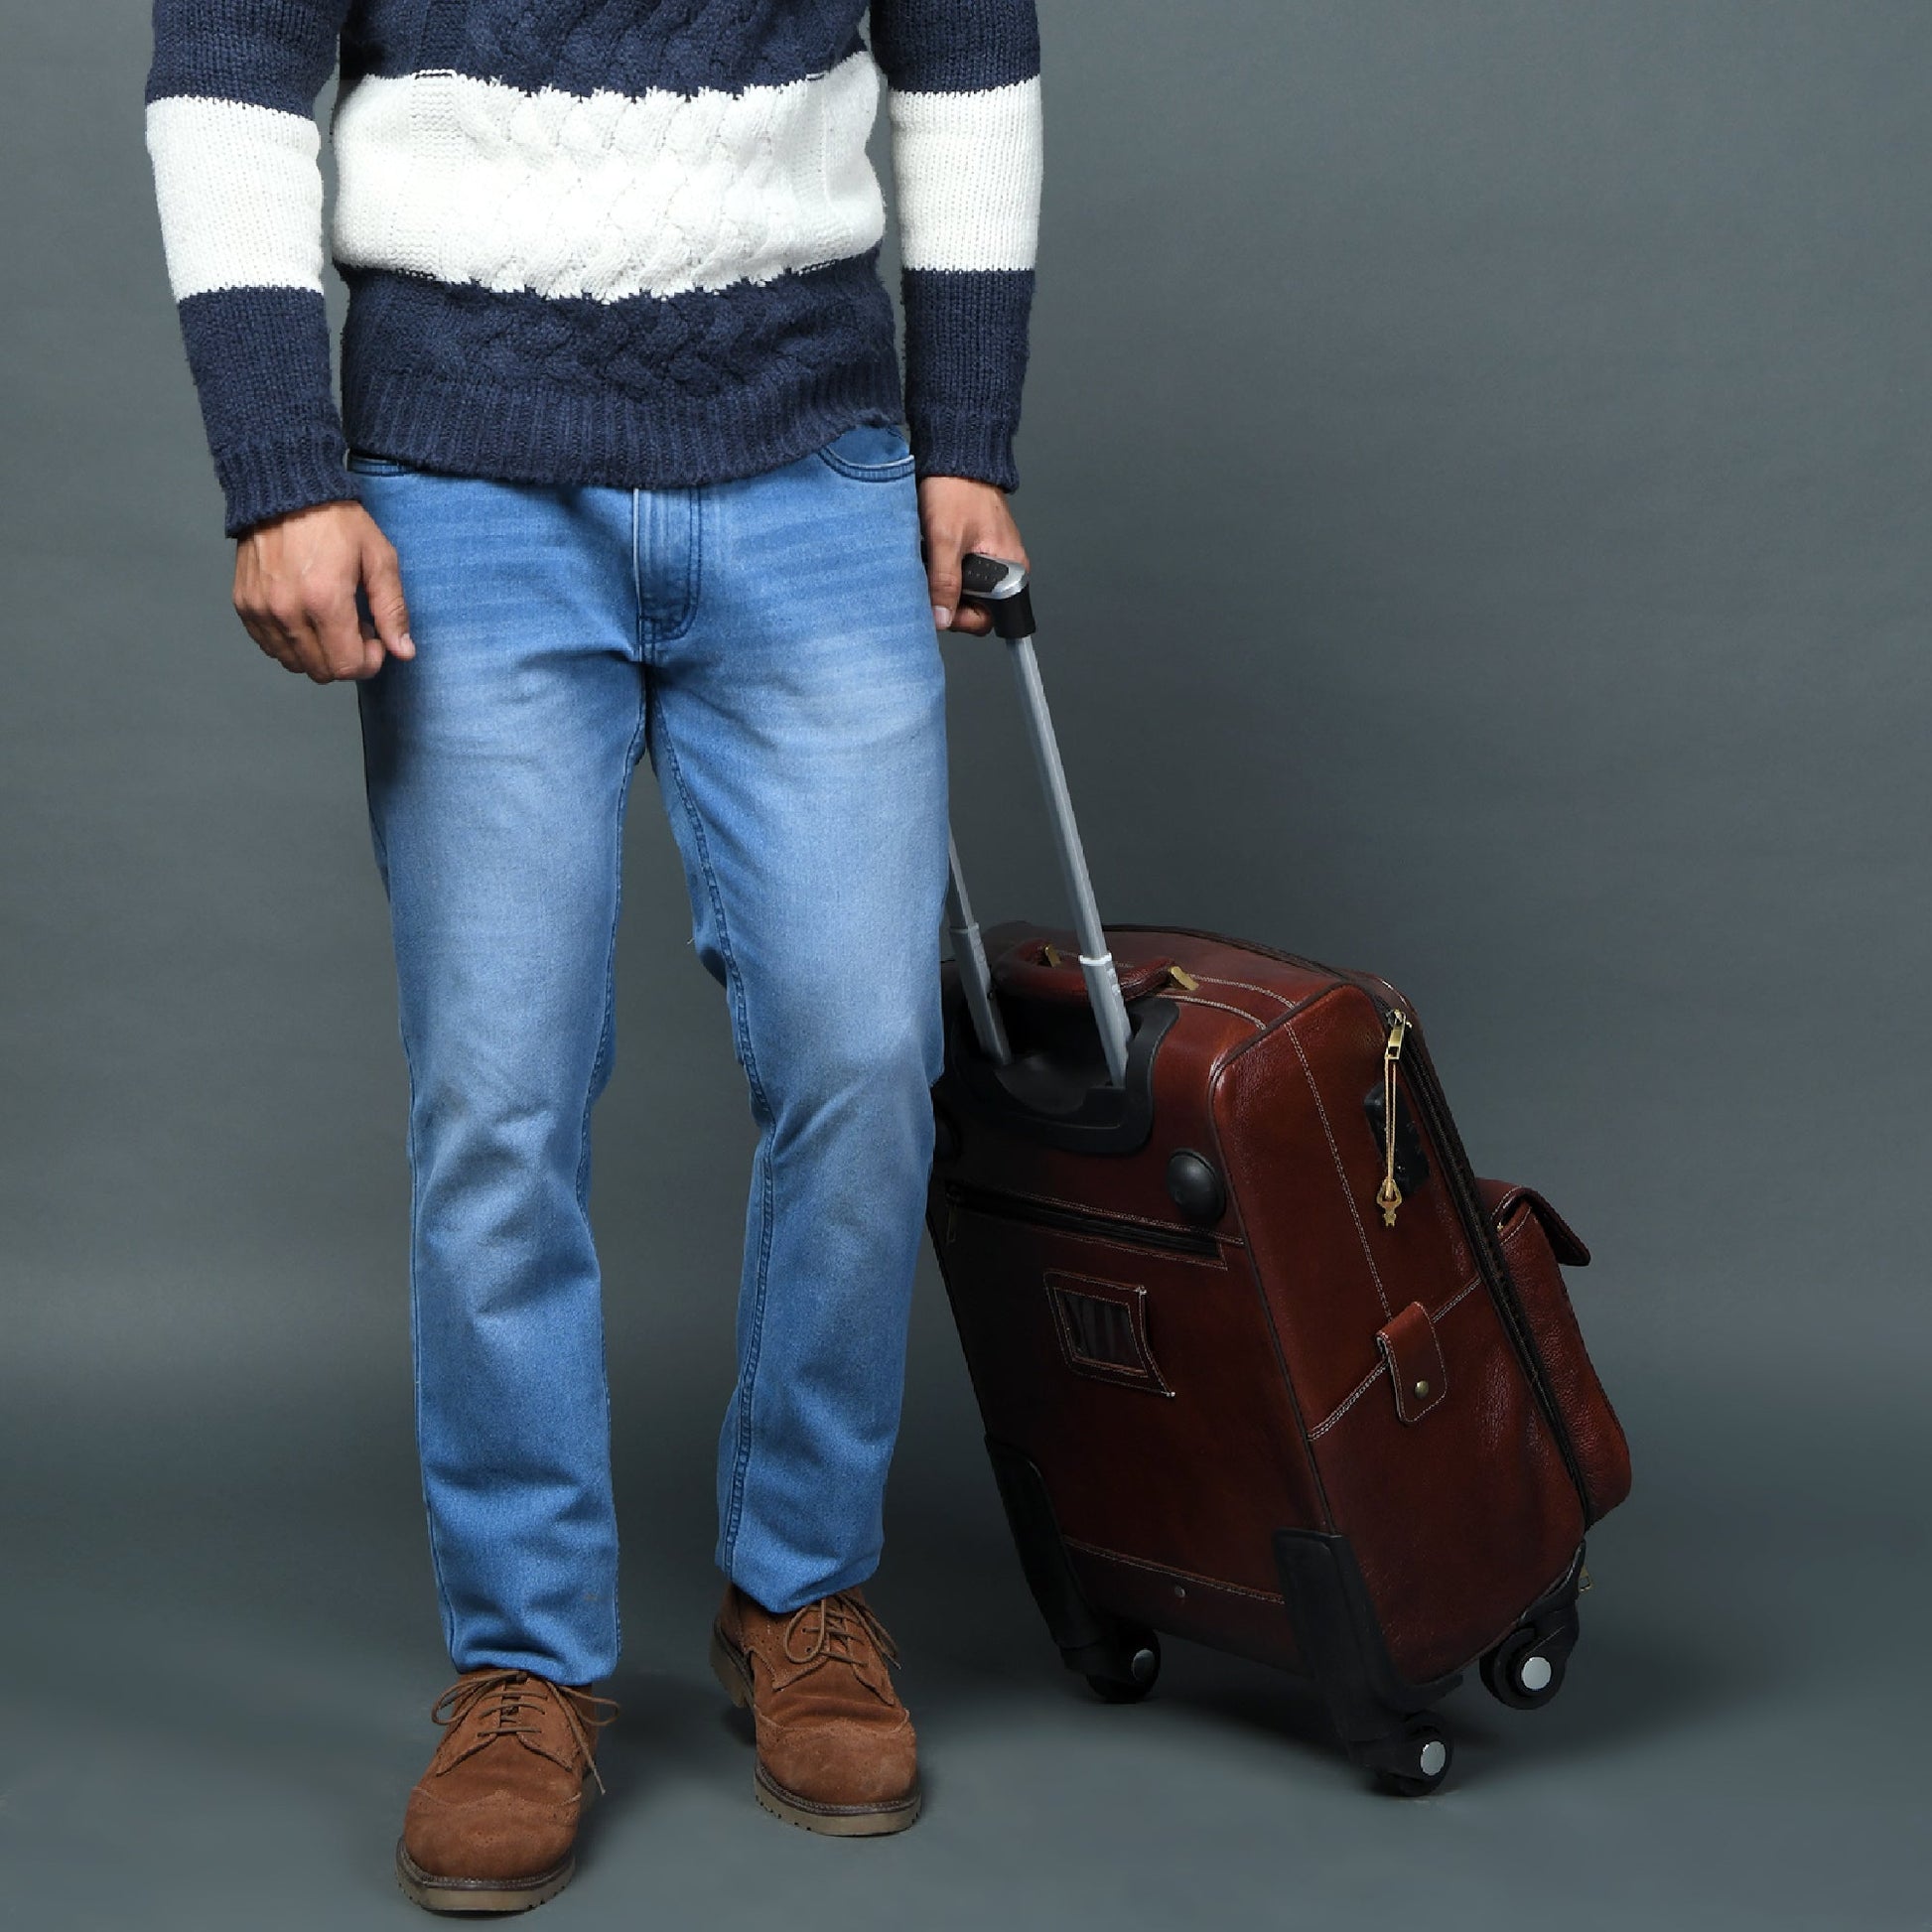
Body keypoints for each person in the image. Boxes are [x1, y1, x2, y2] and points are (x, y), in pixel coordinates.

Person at [144, 0, 1040, 1910]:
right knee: (499, 1100)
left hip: (811, 465)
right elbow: (228, 76)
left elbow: (968, 52)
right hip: (459, 485)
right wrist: (279, 469)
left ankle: (799, 1590)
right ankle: (523, 1664)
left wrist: (969, 436)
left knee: (866, 1055)